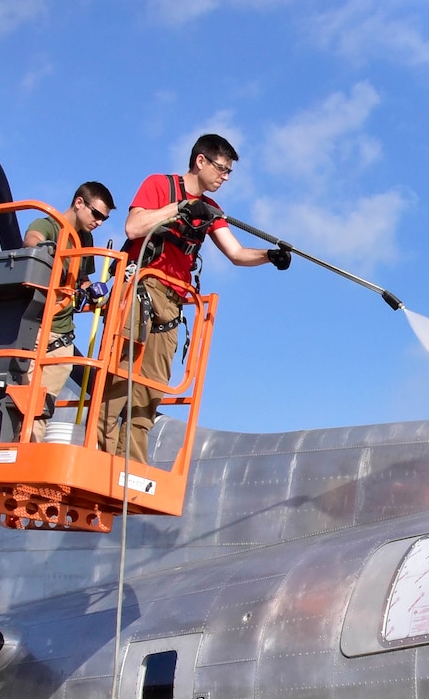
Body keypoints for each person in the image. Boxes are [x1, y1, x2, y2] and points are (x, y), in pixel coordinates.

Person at [102, 134, 289, 462]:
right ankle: (101, 456)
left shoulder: (213, 210)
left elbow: (236, 252)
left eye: (229, 172)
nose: (225, 177)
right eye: (221, 168)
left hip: (173, 302)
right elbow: (133, 228)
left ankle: (129, 468)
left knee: (151, 388)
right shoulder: (160, 185)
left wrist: (270, 256)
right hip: (140, 289)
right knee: (121, 375)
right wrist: (182, 208)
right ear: (200, 160)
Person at [21, 182, 114, 442]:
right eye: (96, 214)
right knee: (25, 403)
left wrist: (92, 290)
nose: (99, 222)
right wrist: (47, 253)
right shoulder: (49, 225)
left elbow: (82, 279)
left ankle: (27, 459)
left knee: (42, 408)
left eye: (104, 219)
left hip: (62, 336)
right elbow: (32, 241)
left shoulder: (86, 238)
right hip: (36, 328)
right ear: (79, 203)